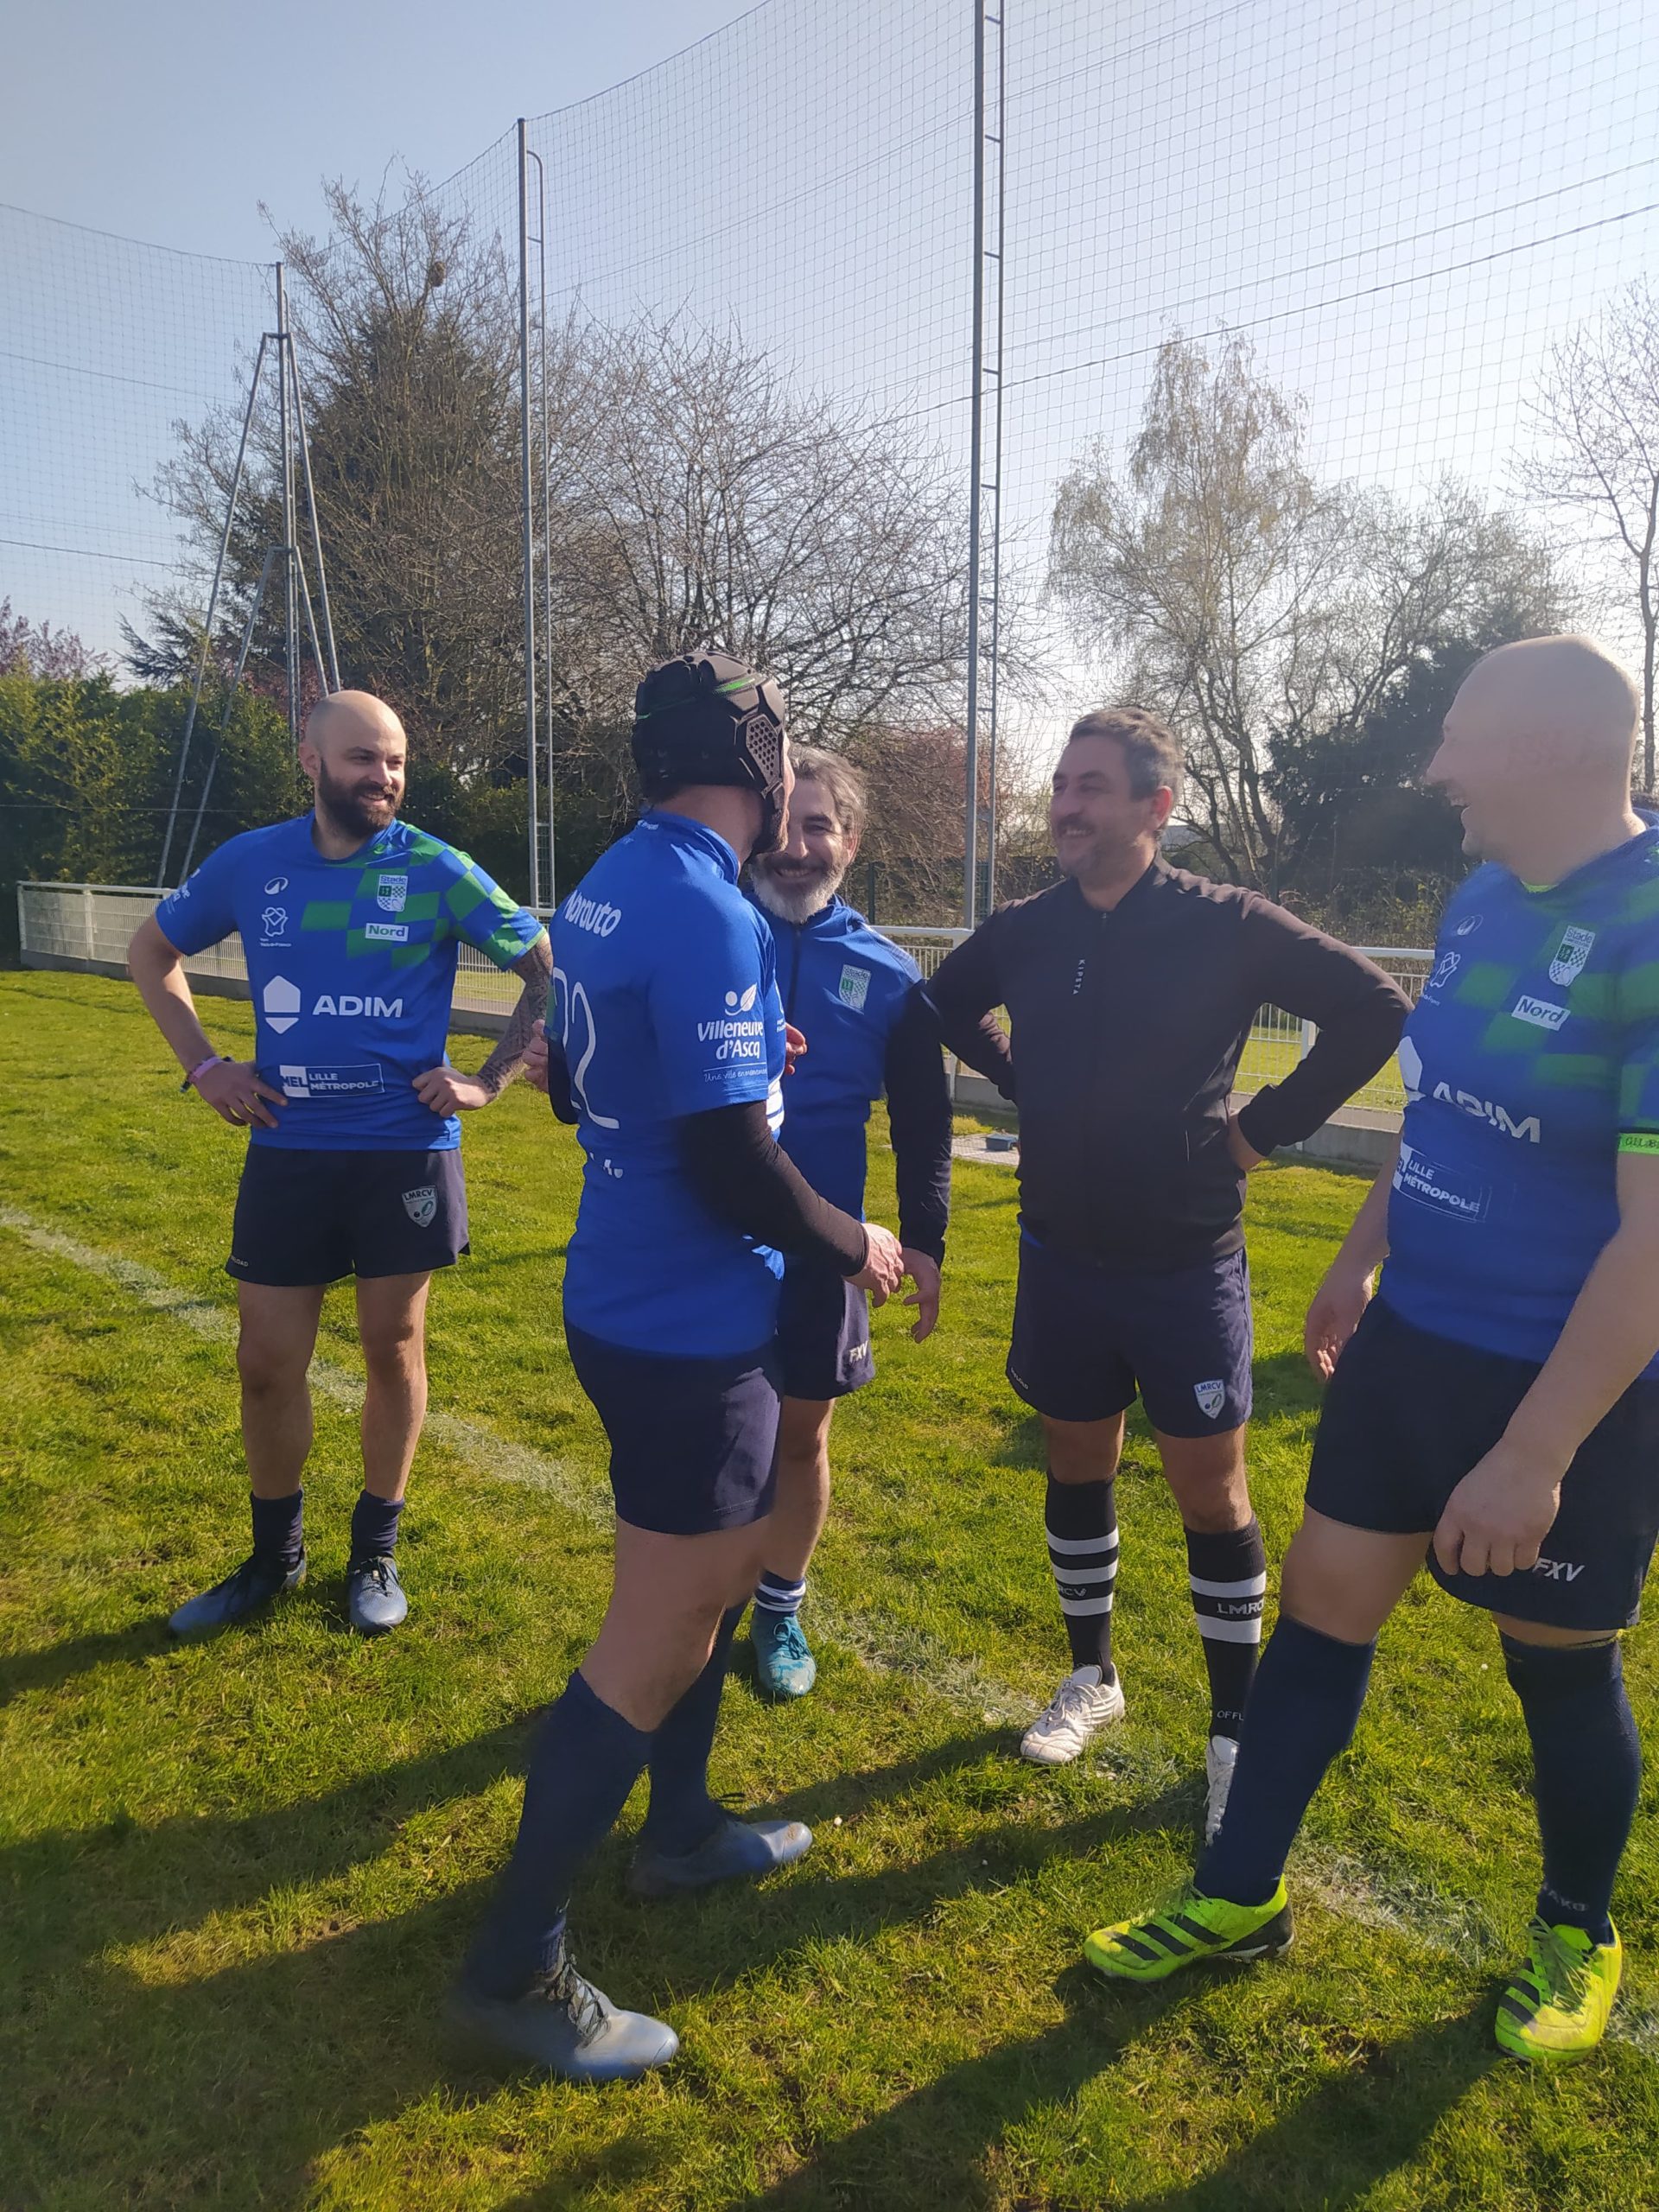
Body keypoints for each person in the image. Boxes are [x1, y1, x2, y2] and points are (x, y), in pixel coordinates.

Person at [1084, 638, 1659, 2064]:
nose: (1437, 768)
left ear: (1550, 750)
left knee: (1558, 1666)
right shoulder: (1480, 899)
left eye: (1460, 738)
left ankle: (1577, 1930)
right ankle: (1239, 1894)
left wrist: (1535, 1454)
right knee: (1322, 1615)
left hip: (1566, 1385)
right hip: (1413, 1345)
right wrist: (1360, 1257)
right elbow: (1442, 1110)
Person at [449, 652, 906, 2083]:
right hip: (684, 1322)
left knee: (709, 1589)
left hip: (632, 1294)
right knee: (654, 1633)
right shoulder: (705, 905)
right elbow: (731, 1167)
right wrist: (855, 1239)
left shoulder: (613, 878)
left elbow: (585, 1082)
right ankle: (515, 1966)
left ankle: (686, 1829)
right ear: (762, 771)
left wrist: (741, 1060)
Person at [925, 706, 1408, 1834]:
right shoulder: (1028, 927)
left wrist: (1256, 1133)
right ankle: (1092, 1675)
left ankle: (1234, 1725)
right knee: (1076, 1461)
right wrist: (1026, 1081)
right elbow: (943, 1001)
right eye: (1060, 785)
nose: (1065, 806)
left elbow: (1374, 1010)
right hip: (1058, 1252)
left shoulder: (1225, 922)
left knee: (1209, 1489)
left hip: (1184, 1260)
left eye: (1090, 787)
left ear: (1157, 806)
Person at [127, 690, 549, 1637]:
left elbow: (546, 969)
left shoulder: (437, 868)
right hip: (289, 1148)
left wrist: (488, 1080)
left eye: (395, 761)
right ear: (311, 761)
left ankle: (375, 1551)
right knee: (265, 1362)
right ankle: (274, 1557)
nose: (384, 776)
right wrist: (205, 1066)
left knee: (392, 1349)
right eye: (363, 758)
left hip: (403, 1151)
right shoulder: (252, 863)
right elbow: (151, 953)